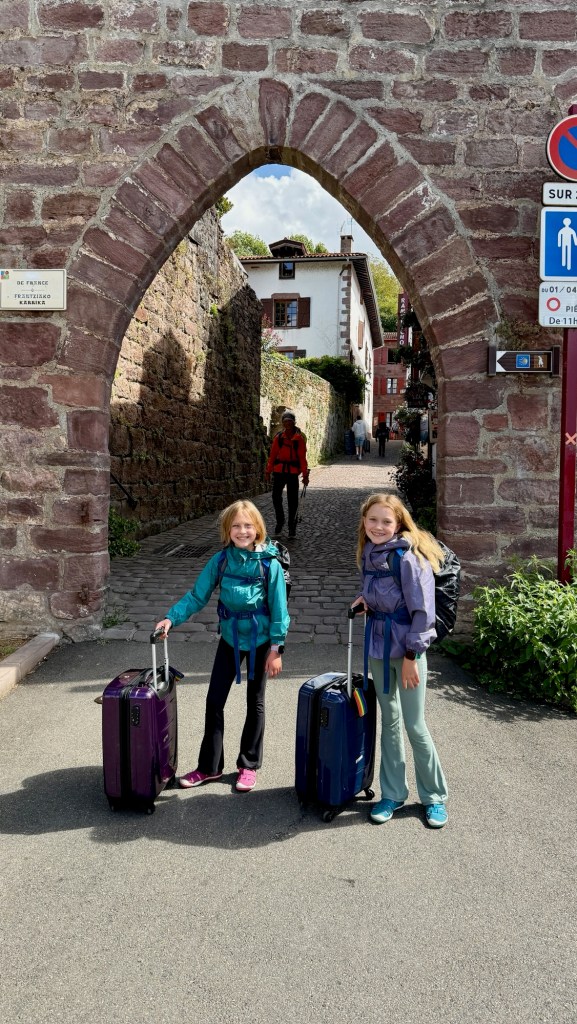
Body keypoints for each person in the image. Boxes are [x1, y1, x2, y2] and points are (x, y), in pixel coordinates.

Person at [154, 500, 289, 793]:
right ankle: (210, 767)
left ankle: (248, 765)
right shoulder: (221, 561)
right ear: (227, 531)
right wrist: (171, 618)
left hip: (261, 642)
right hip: (230, 639)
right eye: (236, 526)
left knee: (255, 701)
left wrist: (276, 649)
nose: (242, 531)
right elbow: (197, 595)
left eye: (248, 525)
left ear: (258, 529)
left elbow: (280, 609)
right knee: (214, 701)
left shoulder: (270, 564)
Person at [352, 492, 449, 828]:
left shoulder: (409, 558)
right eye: (373, 520)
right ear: (364, 521)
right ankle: (392, 794)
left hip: (408, 652)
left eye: (386, 521)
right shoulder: (368, 553)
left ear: (398, 523)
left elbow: (423, 613)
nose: (378, 526)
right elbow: (380, 592)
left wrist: (412, 656)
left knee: (415, 725)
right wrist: (365, 600)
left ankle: (434, 797)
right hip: (378, 649)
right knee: (389, 723)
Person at [265, 411, 309, 539]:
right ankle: (280, 521)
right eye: (285, 422)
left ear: (294, 423)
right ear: (283, 423)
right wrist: (268, 471)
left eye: (290, 421)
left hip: (293, 473)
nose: (287, 424)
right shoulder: (279, 438)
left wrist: (305, 475)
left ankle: (291, 527)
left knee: (293, 500)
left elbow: (302, 458)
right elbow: (272, 456)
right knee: (276, 497)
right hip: (279, 472)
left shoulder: (299, 439)